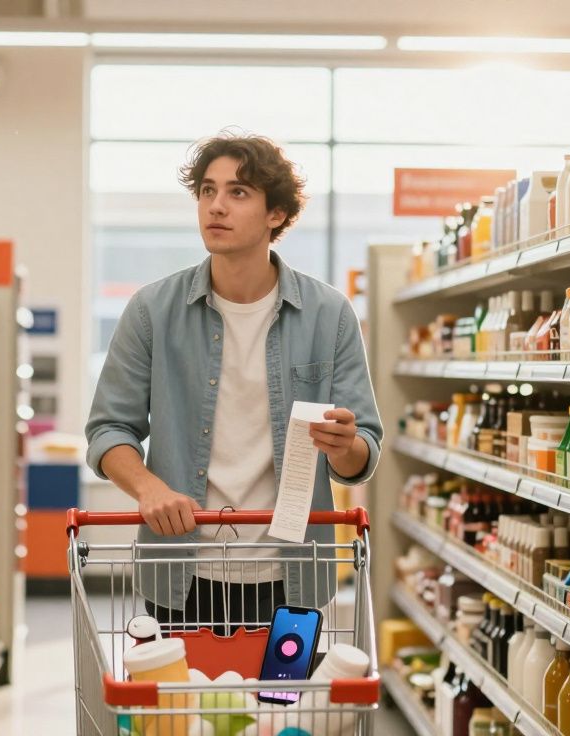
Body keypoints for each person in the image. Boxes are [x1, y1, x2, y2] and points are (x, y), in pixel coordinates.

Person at [86, 132, 382, 633]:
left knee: (281, 711)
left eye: (238, 192)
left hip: (293, 577)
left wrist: (344, 444)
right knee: (186, 713)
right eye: (207, 190)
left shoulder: (329, 314)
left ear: (276, 214)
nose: (216, 206)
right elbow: (109, 430)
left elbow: (362, 454)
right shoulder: (153, 311)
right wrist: (148, 487)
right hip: (179, 572)